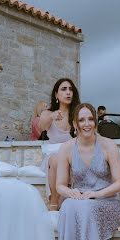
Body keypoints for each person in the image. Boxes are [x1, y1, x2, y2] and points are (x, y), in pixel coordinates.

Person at [56, 103, 120, 240]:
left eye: (90, 119)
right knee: (68, 205)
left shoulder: (109, 146)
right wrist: (70, 192)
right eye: (81, 120)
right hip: (79, 201)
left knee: (83, 206)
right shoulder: (66, 148)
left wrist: (96, 194)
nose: (87, 124)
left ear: (95, 122)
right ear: (74, 124)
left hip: (106, 202)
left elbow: (119, 183)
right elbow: (60, 185)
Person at [37, 78, 80, 209]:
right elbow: (41, 127)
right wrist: (51, 117)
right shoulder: (47, 113)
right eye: (64, 89)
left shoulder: (77, 114)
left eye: (71, 89)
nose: (68, 92)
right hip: (52, 160)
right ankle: (54, 204)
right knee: (56, 159)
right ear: (56, 94)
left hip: (72, 157)